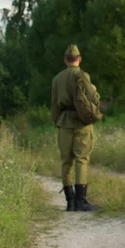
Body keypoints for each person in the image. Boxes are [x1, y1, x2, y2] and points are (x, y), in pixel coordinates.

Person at [51, 44, 101, 212]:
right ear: (79, 59)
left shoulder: (57, 79)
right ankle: (81, 200)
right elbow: (94, 98)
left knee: (66, 161)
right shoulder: (83, 75)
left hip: (64, 122)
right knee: (81, 159)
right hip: (82, 123)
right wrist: (94, 89)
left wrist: (58, 122)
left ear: (65, 59)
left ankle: (70, 202)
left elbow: (54, 107)